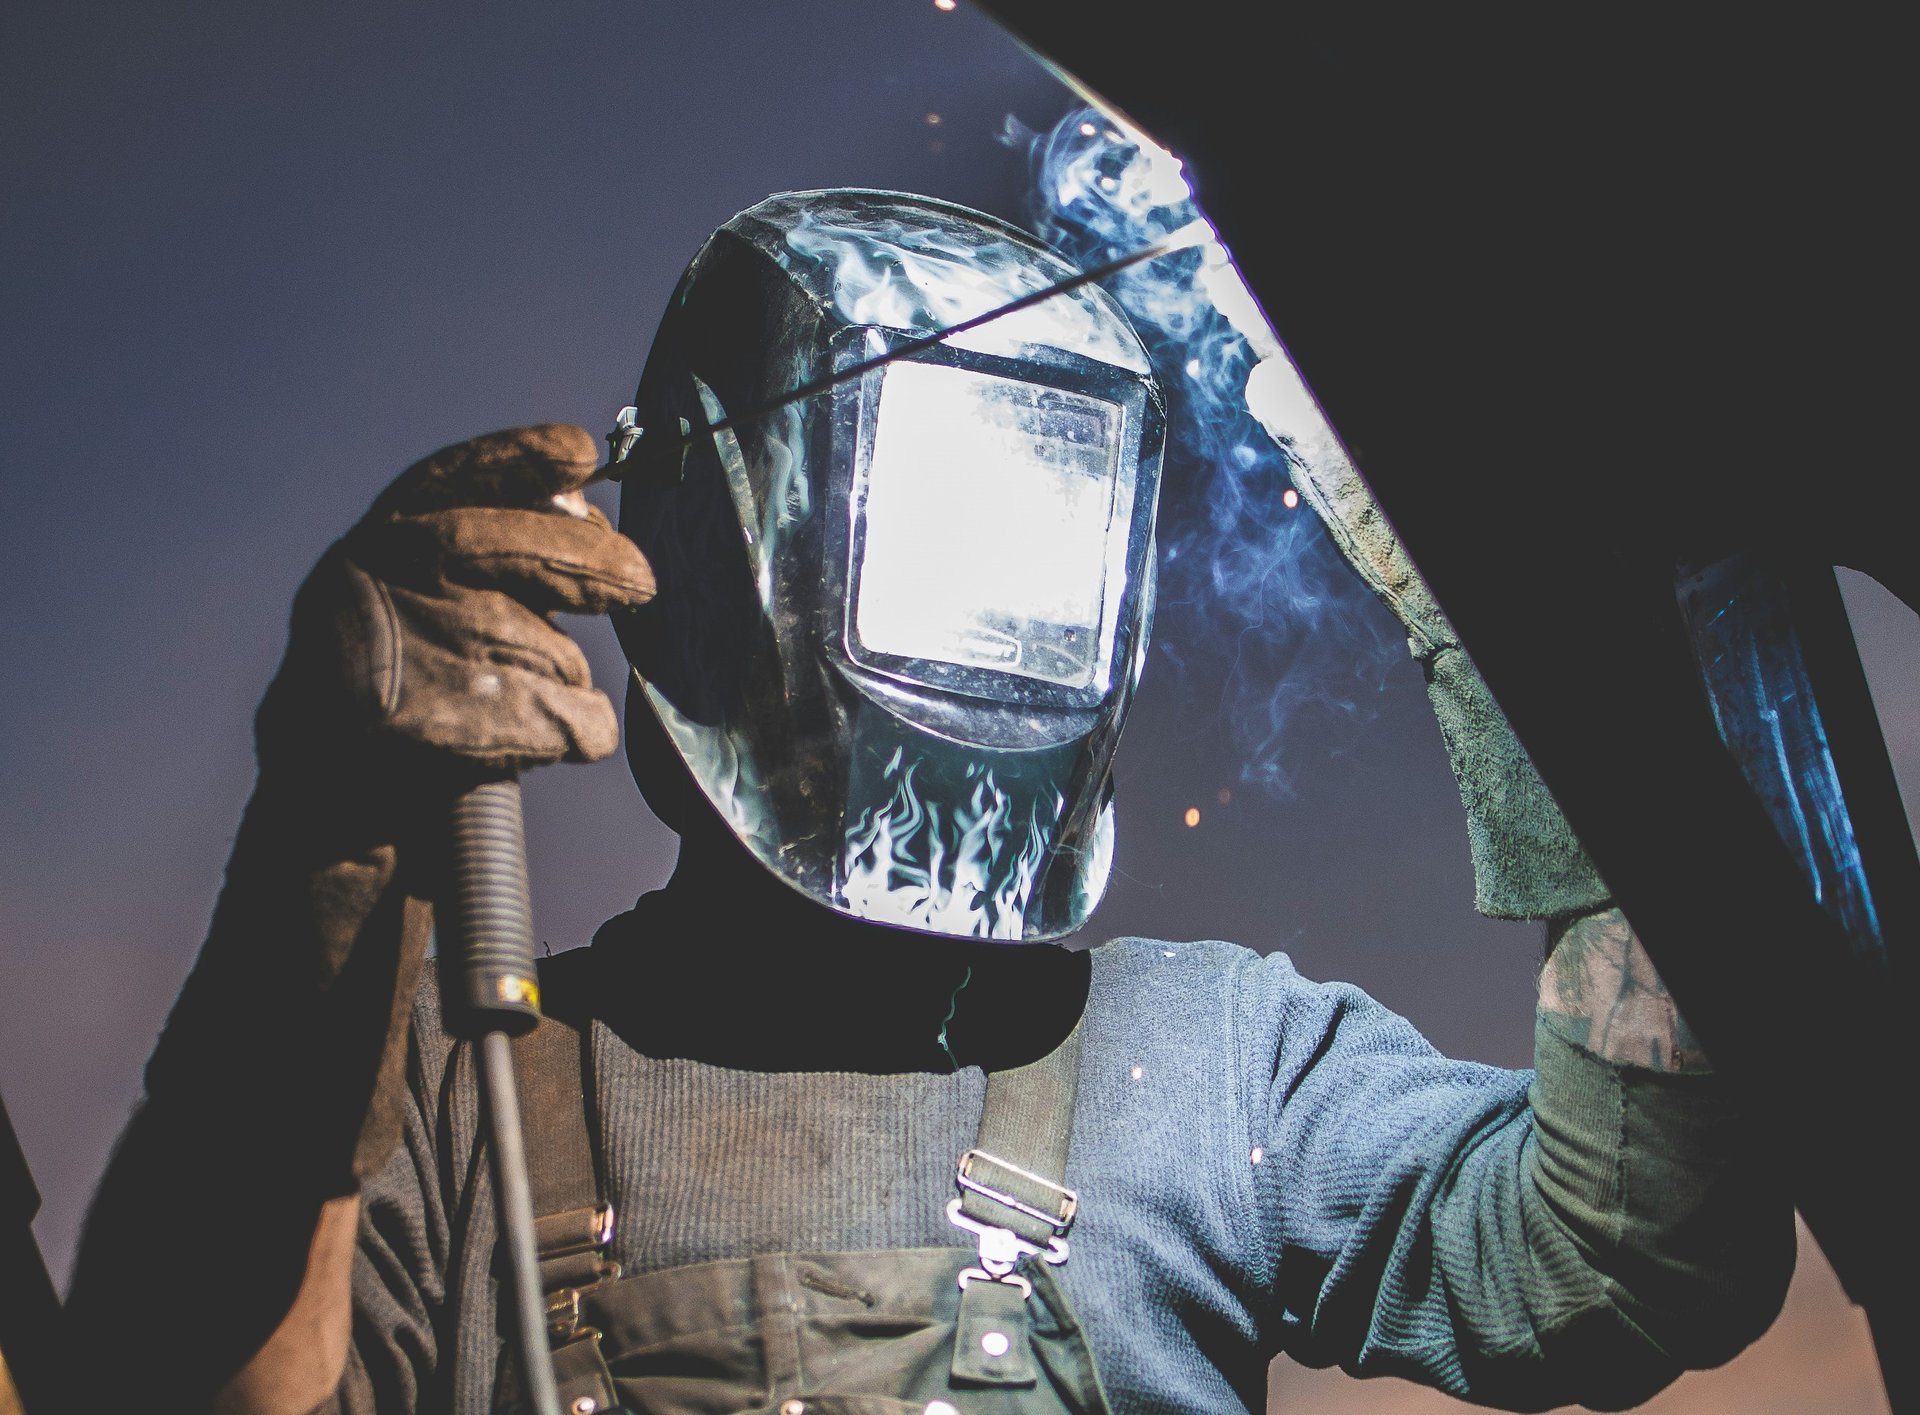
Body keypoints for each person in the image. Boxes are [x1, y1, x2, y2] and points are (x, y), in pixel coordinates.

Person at [66, 190, 1792, 1415]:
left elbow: (1627, 1266)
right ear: (701, 559)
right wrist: (326, 863)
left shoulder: (1204, 1059)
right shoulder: (458, 1096)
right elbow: (180, 1390)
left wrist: (1543, 664)